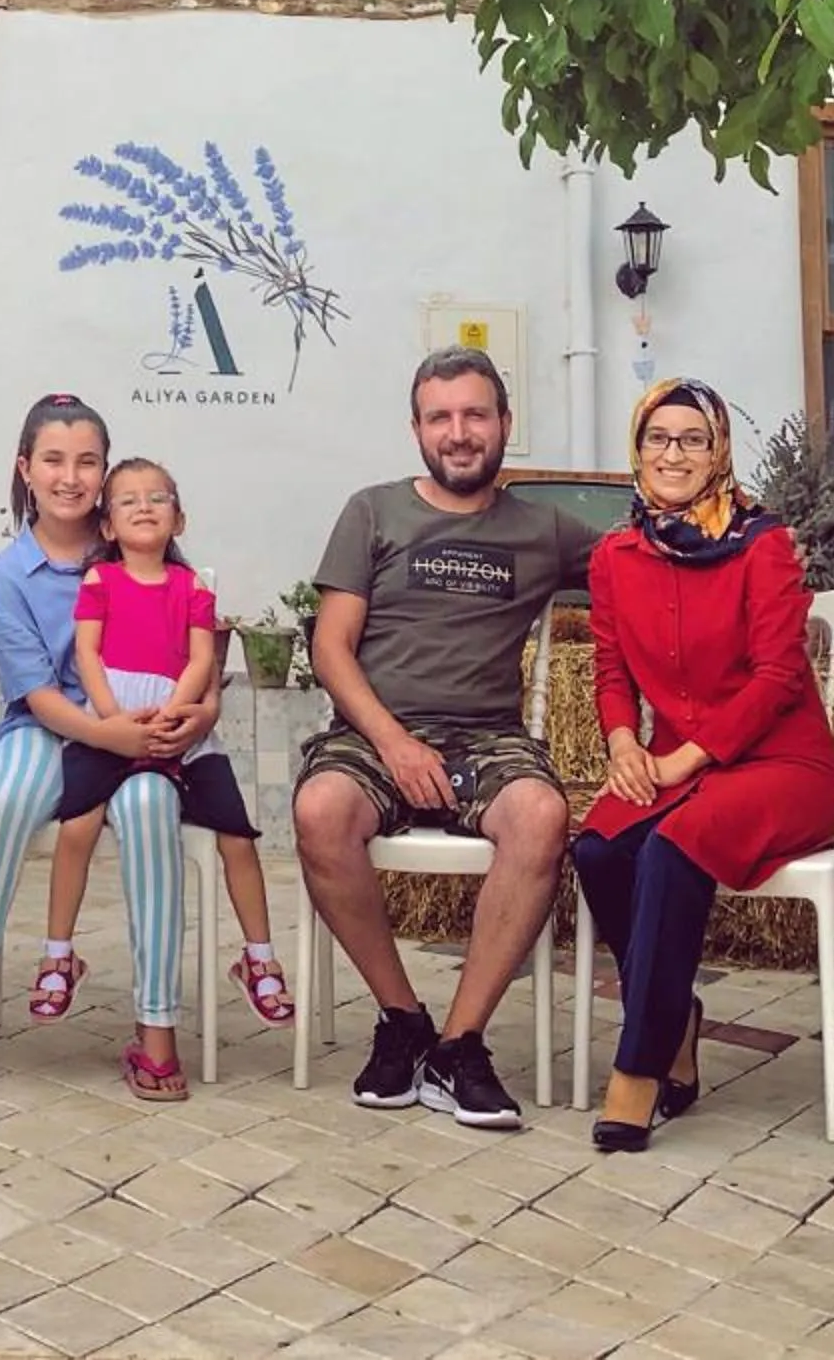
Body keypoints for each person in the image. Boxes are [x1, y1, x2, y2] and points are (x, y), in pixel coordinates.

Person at [295, 346, 594, 1131]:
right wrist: (393, 743)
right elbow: (331, 648)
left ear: (504, 424)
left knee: (540, 816)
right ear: (417, 429)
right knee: (322, 809)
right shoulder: (373, 511)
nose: (459, 433)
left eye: (475, 414)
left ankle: (461, 1047)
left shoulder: (547, 530)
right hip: (377, 732)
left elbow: (651, 566)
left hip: (487, 739)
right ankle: (403, 1022)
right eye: (441, 417)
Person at [574, 378, 834, 1153]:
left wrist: (680, 758)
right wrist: (625, 745)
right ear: (638, 447)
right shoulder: (616, 554)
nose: (674, 454)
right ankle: (675, 1016)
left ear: (718, 449)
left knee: (670, 847)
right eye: (659, 437)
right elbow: (611, 670)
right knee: (597, 848)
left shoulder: (764, 544)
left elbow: (777, 677)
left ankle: (639, 1070)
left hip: (783, 767)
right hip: (676, 767)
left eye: (693, 439)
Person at [0, 396, 202, 1103]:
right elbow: (37, 696)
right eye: (53, 460)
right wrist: (111, 734)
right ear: (26, 469)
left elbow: (197, 656)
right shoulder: (13, 574)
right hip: (48, 730)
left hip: (143, 736)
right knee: (4, 803)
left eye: (87, 462)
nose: (70, 477)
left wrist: (190, 721)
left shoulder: (146, 553)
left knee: (148, 812)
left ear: (105, 474)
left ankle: (156, 1030)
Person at [37, 457, 294, 1039]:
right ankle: (58, 954)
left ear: (179, 518)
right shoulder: (100, 581)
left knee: (238, 838)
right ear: (107, 526)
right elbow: (87, 655)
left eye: (158, 497)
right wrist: (110, 718)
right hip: (114, 723)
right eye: (127, 500)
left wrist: (178, 714)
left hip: (184, 730)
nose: (144, 507)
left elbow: (203, 657)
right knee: (77, 828)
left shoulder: (192, 587)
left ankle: (259, 958)